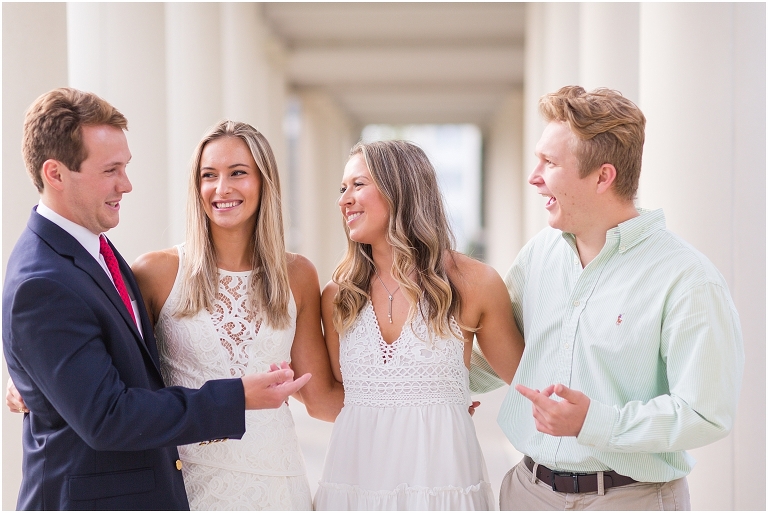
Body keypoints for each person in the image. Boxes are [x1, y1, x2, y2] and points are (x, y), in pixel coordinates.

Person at [2, 88, 310, 510]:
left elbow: (112, 360)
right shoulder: (44, 279)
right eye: (111, 170)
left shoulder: (95, 253)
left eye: (125, 167)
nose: (126, 184)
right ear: (55, 174)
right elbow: (108, 417)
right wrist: (238, 397)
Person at [471, 86, 744, 510]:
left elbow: (707, 413)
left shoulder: (687, 278)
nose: (534, 176)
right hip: (527, 493)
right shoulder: (538, 256)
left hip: (630, 499)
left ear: (603, 176)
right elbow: (505, 354)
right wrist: (429, 386)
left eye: (550, 162)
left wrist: (596, 423)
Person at [130, 120, 344, 509]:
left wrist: (416, 402)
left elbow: (320, 398)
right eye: (208, 175)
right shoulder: (156, 273)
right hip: (189, 483)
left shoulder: (297, 275)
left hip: (279, 485)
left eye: (238, 173)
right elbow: (112, 368)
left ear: (264, 182)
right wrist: (41, 387)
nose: (222, 188)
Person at [313, 140, 525, 510]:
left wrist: (450, 401)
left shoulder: (474, 283)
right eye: (342, 188)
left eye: (358, 184)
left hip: (442, 482)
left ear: (402, 189)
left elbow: (527, 381)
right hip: (355, 482)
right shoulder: (338, 295)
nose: (344, 199)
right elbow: (337, 395)